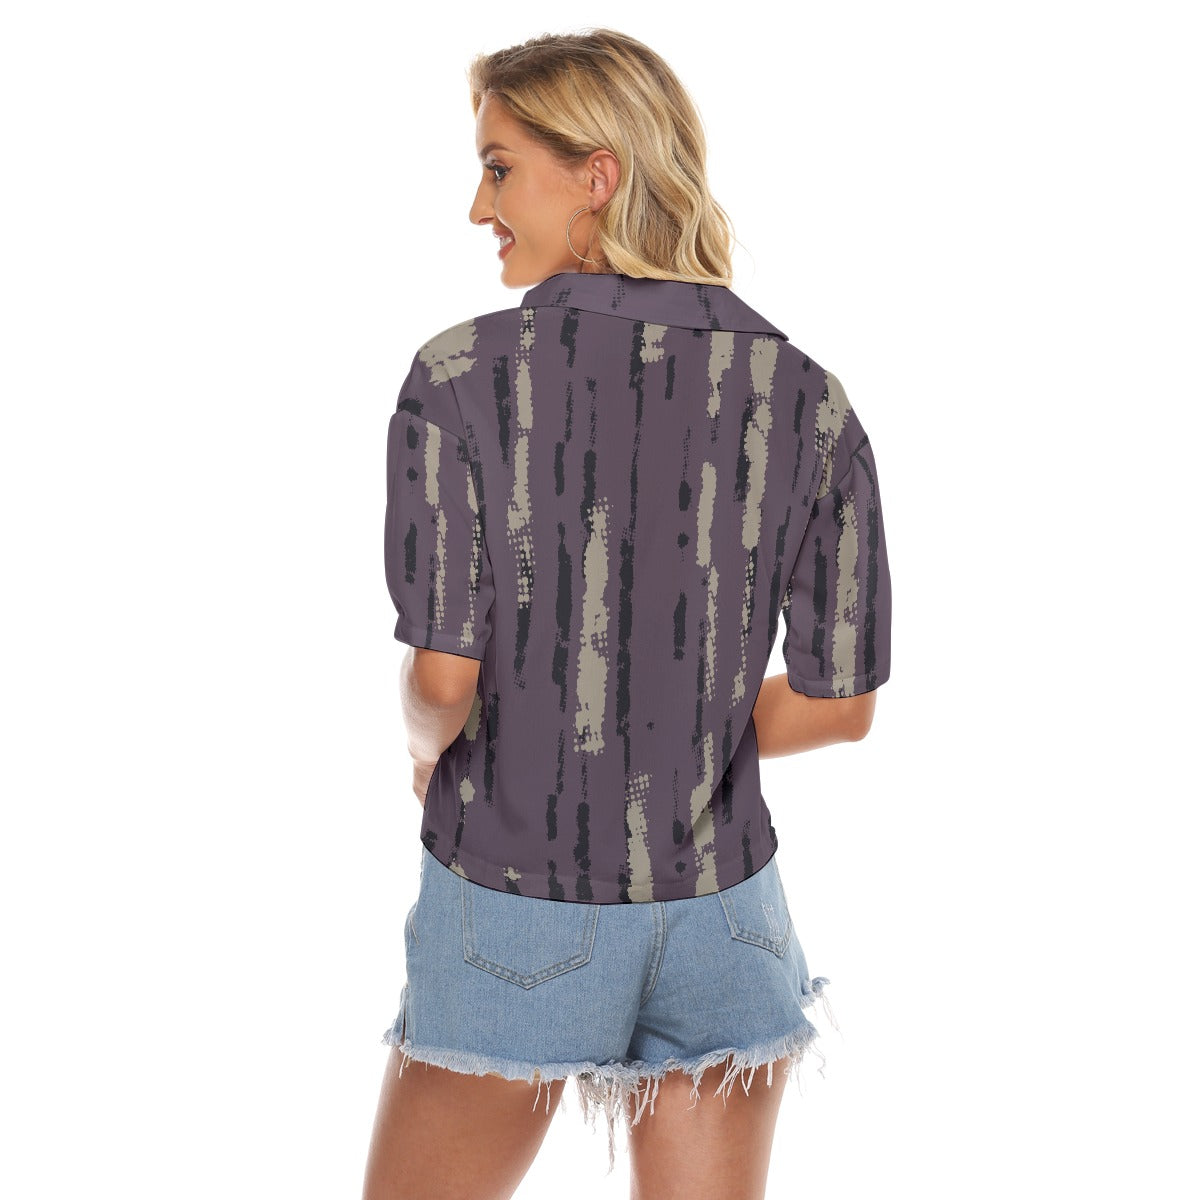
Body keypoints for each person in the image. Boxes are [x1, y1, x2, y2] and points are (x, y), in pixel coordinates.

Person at [362, 28, 891, 1200]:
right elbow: (841, 704)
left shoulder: (460, 379)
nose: (478, 205)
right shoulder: (808, 399)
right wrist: (677, 730)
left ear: (595, 175)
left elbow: (443, 682)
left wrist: (423, 750)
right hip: (728, 919)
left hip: (516, 901)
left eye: (500, 168)